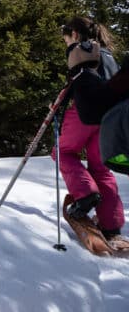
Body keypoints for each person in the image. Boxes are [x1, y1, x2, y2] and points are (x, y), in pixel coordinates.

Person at [53, 17, 124, 241]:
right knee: (101, 168)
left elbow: (79, 84)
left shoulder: (81, 51)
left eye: (66, 38)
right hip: (109, 119)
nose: (66, 43)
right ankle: (111, 225)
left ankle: (85, 195)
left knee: (62, 151)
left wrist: (58, 105)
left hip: (84, 114)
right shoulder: (109, 56)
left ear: (74, 34)